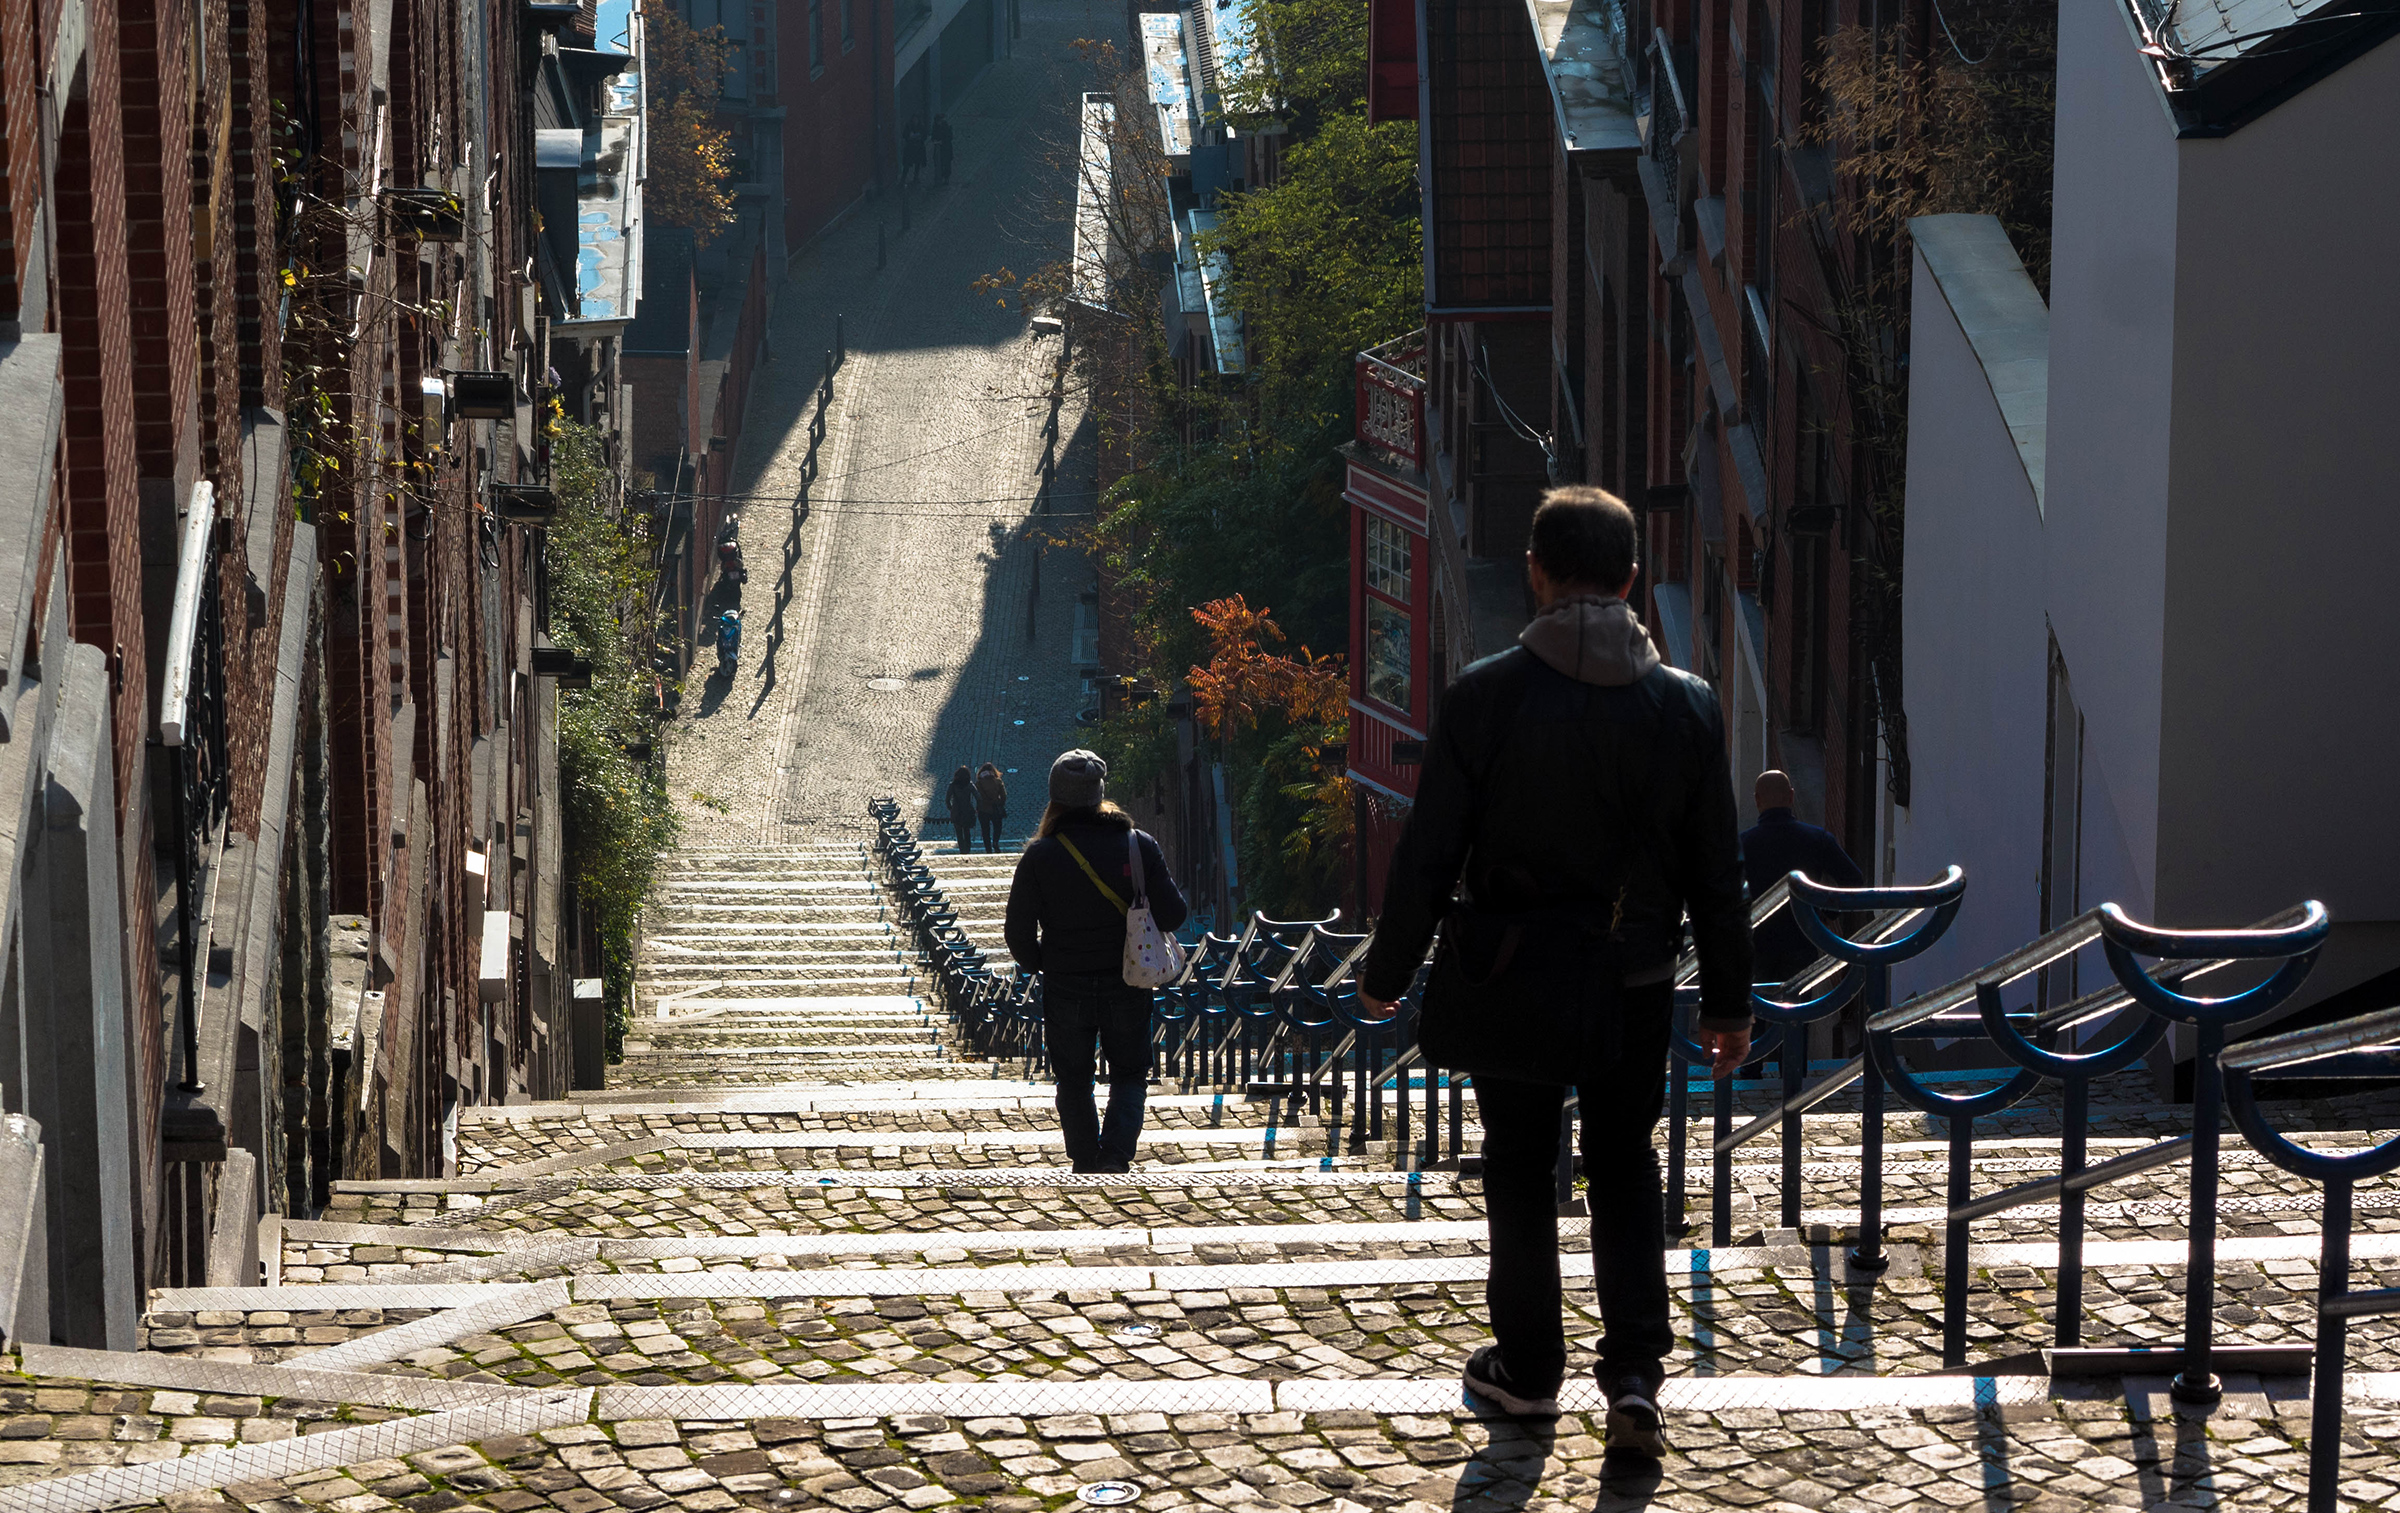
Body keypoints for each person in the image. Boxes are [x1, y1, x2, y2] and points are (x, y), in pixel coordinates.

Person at [1356, 486, 1752, 1458]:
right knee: (1625, 1166)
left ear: (1534, 571)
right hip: (1636, 974)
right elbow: (1716, 869)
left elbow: (1430, 849)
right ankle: (1634, 1379)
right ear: (1627, 579)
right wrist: (1731, 1002)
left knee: (1520, 1170)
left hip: (1513, 971)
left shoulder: (1485, 697)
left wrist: (1388, 968)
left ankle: (1529, 1371)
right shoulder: (1688, 708)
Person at [1002, 750, 1188, 1173]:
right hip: (1127, 978)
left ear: (1055, 798)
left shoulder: (1040, 856)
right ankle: (1116, 1155)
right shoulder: (1138, 846)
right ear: (1100, 793)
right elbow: (1175, 915)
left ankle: (1085, 1159)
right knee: (1129, 1072)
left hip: (1066, 981)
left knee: (1073, 1077)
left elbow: (1017, 933)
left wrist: (1041, 962)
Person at [1742, 770, 1866, 984]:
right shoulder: (1817, 839)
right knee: (1796, 1007)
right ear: (1791, 796)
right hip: (1802, 937)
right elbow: (1853, 879)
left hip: (1756, 943)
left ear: (1757, 800)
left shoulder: (1741, 845)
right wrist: (1827, 912)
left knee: (1757, 1009)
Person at [974, 763, 1008, 853]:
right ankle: (995, 842)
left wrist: (978, 807)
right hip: (995, 808)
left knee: (985, 830)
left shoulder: (979, 783)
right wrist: (1000, 803)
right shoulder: (998, 781)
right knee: (997, 827)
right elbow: (1004, 796)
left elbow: (978, 798)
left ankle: (988, 849)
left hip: (983, 810)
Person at [945, 766, 979, 853]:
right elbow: (978, 797)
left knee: (959, 832)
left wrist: (951, 808)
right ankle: (967, 850)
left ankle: (962, 850)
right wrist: (977, 808)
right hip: (967, 810)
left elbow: (947, 799)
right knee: (967, 831)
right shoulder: (970, 785)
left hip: (956, 811)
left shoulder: (952, 785)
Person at [900, 119, 927, 186]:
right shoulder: (909, 126)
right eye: (914, 119)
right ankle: (903, 179)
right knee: (907, 164)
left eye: (916, 119)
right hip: (910, 148)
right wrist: (909, 137)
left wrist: (920, 138)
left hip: (918, 148)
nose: (915, 121)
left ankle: (915, 177)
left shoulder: (921, 126)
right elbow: (905, 135)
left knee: (917, 163)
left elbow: (924, 136)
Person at [929, 114, 954, 184]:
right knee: (939, 163)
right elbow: (933, 137)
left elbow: (950, 137)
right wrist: (935, 141)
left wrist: (942, 141)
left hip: (946, 148)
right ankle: (941, 176)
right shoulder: (935, 127)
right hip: (938, 149)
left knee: (947, 163)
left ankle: (946, 177)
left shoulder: (946, 127)